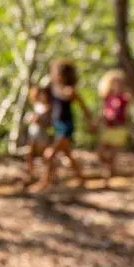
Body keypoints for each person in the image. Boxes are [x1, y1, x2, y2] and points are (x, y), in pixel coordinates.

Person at [33, 59, 93, 191]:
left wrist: (90, 122)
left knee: (49, 154)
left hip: (66, 126)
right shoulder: (53, 90)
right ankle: (81, 179)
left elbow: (84, 107)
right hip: (57, 125)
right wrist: (39, 118)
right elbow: (50, 107)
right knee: (67, 154)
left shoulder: (69, 91)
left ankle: (44, 182)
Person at [96, 69, 131, 177]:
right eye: (115, 83)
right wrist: (97, 122)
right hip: (108, 127)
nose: (118, 85)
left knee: (113, 154)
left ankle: (110, 174)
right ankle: (110, 170)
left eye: (120, 83)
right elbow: (103, 112)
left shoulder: (124, 98)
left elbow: (126, 111)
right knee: (101, 152)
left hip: (119, 128)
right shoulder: (107, 98)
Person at [22, 84, 54, 185]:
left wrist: (39, 121)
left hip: (43, 136)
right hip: (33, 135)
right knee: (29, 155)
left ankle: (47, 178)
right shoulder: (36, 106)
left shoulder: (49, 108)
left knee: (46, 157)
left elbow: (49, 124)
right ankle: (30, 176)